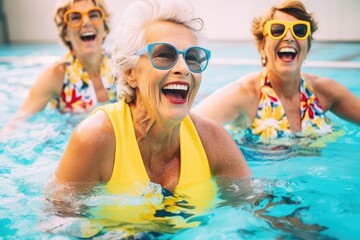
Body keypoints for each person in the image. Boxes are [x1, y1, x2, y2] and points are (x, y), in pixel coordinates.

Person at [46, 0, 251, 236]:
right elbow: (55, 223)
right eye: (164, 55)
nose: (184, 68)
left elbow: (256, 208)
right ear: (129, 73)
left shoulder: (212, 139)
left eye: (193, 57)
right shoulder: (96, 139)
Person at [194, 0, 360, 142]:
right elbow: (188, 127)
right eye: (278, 30)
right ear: (262, 46)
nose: (289, 37)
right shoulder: (245, 95)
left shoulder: (325, 91)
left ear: (307, 46)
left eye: (299, 30)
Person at [2, 0, 116, 133]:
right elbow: (18, 122)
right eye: (75, 17)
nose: (86, 22)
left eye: (94, 15)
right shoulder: (55, 75)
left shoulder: (121, 66)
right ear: (66, 33)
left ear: (105, 27)